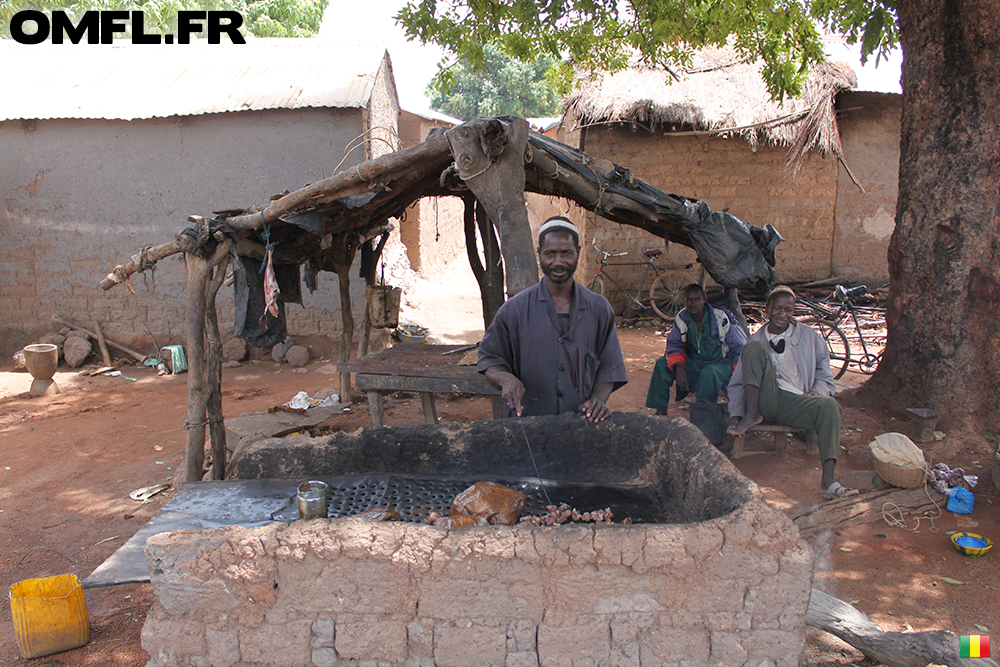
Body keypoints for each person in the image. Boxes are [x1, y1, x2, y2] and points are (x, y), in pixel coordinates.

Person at [477, 216, 628, 422]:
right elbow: (490, 360)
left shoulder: (599, 309)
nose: (558, 262)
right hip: (526, 426)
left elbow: (610, 367)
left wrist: (598, 400)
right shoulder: (514, 310)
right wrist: (505, 379)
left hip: (580, 426)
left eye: (566, 253)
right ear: (539, 254)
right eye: (550, 254)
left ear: (578, 252)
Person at [727, 285, 857, 499]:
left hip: (795, 402)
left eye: (788, 310)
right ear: (767, 309)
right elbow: (738, 383)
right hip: (764, 400)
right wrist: (736, 415)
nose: (782, 314)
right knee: (752, 349)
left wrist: (818, 392)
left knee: (830, 407)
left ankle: (829, 481)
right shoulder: (757, 340)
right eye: (777, 308)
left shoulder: (808, 336)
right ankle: (752, 416)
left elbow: (824, 370)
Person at [645, 284, 747, 414]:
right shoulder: (682, 318)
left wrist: (736, 377)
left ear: (704, 299)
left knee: (709, 372)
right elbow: (674, 344)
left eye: (697, 299)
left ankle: (703, 413)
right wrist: (680, 368)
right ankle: (660, 411)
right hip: (695, 363)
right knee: (661, 363)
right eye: (689, 299)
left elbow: (741, 348)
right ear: (685, 301)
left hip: (721, 364)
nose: (693, 304)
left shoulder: (721, 318)